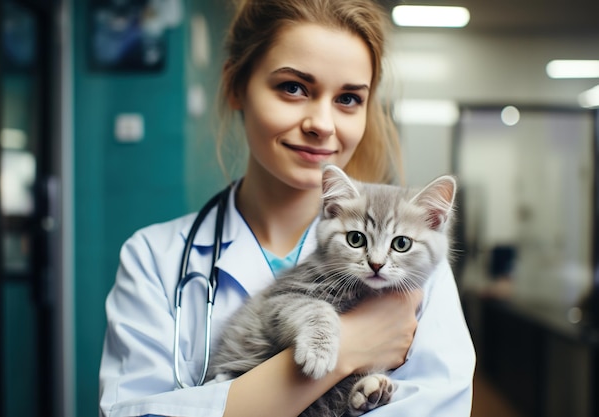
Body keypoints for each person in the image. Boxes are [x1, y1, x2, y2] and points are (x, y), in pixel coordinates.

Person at [98, 0, 475, 416]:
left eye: (348, 98)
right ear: (235, 86)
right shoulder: (154, 258)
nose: (322, 123)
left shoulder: (422, 272)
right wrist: (350, 348)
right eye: (293, 88)